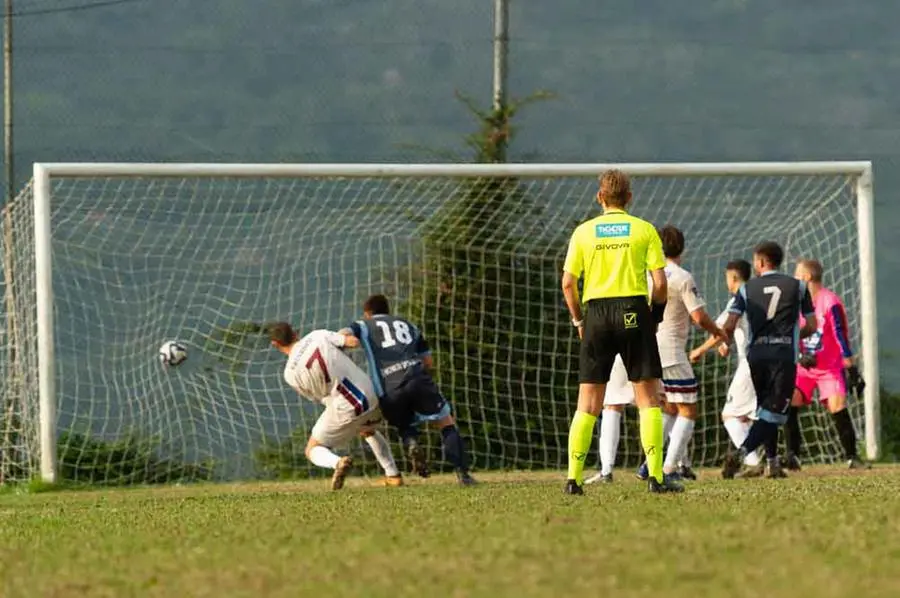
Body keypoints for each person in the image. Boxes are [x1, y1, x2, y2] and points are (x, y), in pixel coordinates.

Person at [561, 168, 682, 495]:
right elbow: (660, 284)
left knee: (588, 403)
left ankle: (573, 479)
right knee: (647, 400)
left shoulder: (584, 233)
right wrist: (654, 316)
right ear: (629, 198)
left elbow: (568, 284)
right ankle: (656, 478)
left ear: (600, 197)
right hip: (633, 311)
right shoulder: (643, 230)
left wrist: (579, 321)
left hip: (597, 314)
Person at [340, 294, 476, 486]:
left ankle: (411, 442)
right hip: (416, 377)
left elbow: (343, 334)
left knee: (404, 423)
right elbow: (428, 361)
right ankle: (463, 474)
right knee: (445, 421)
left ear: (367, 313)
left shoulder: (362, 325)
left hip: (389, 386)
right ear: (387, 310)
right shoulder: (408, 324)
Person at [720, 242, 817, 479]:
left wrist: (727, 342)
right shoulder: (799, 287)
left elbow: (730, 323)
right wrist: (793, 336)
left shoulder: (746, 289)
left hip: (756, 356)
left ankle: (773, 463)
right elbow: (812, 325)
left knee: (765, 409)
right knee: (773, 413)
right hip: (783, 356)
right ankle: (742, 452)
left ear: (762, 263)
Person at [269, 323, 402, 490]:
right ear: (295, 333)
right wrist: (344, 338)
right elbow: (352, 342)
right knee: (367, 429)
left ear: (276, 344)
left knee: (312, 449)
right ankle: (393, 475)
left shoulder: (289, 374)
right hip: (370, 396)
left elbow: (316, 397)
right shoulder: (316, 335)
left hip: (344, 407)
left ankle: (338, 462)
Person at [784, 259, 869, 470]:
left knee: (837, 406)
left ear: (807, 277)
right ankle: (792, 456)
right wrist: (797, 356)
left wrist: (851, 367)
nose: (794, 279)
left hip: (829, 367)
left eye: (797, 274)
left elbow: (840, 335)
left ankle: (852, 457)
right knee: (789, 400)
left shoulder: (830, 302)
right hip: (804, 367)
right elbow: (790, 334)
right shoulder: (796, 305)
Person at [690, 259, 765, 477]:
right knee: (753, 415)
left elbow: (720, 330)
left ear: (732, 277)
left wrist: (698, 351)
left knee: (730, 415)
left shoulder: (738, 299)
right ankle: (770, 459)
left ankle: (752, 461)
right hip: (769, 358)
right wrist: (726, 343)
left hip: (750, 362)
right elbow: (733, 331)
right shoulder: (758, 296)